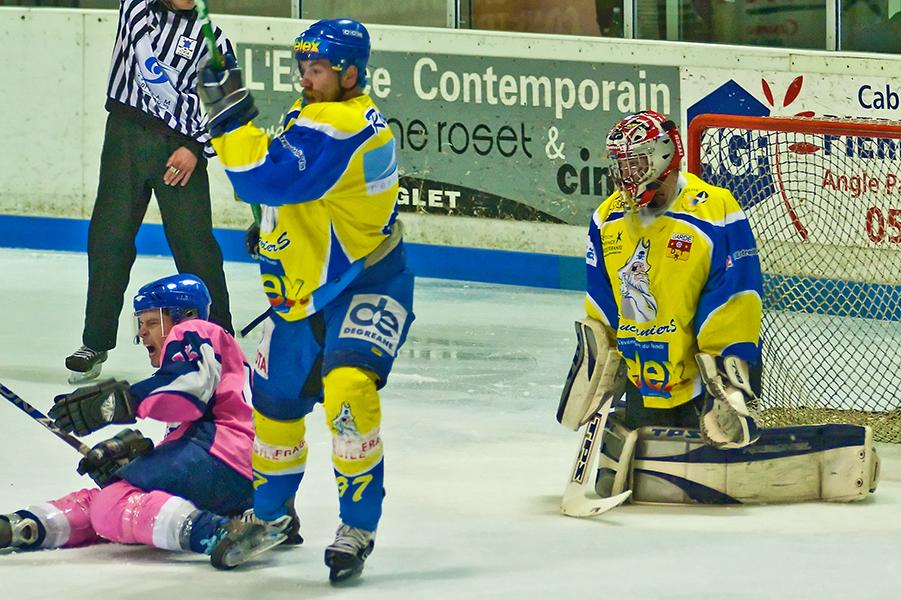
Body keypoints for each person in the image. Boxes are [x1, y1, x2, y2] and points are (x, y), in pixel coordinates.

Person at [555, 111, 878, 507]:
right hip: (644, 383)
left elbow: (734, 297)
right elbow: (602, 304)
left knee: (713, 484)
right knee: (648, 492)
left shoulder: (714, 210)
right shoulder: (606, 219)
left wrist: (728, 382)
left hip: (702, 388)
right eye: (620, 165)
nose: (626, 175)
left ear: (661, 156)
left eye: (635, 163)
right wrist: (598, 367)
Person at [195, 18, 414, 583]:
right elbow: (293, 195)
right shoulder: (315, 114)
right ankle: (270, 518)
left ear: (350, 73)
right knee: (273, 409)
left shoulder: (344, 123)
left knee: (348, 391)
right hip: (303, 293)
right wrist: (271, 230)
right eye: (302, 69)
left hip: (365, 284)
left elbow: (263, 177)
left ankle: (357, 526)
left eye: (316, 70)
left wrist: (228, 118)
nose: (306, 79)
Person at [3, 274, 287, 567]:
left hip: (224, 455)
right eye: (140, 324)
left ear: (186, 315)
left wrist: (124, 401)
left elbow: (188, 390)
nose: (142, 334)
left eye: (152, 322)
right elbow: (190, 409)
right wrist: (130, 463)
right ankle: (20, 527)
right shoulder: (215, 360)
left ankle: (217, 533)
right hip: (240, 469)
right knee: (114, 498)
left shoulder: (195, 330)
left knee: (110, 502)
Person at [65, 0, 234, 384]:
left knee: (195, 247)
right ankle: (95, 342)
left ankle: (219, 338)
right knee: (109, 239)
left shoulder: (215, 41)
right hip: (125, 136)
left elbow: (223, 106)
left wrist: (194, 147)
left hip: (179, 149)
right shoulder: (137, 7)